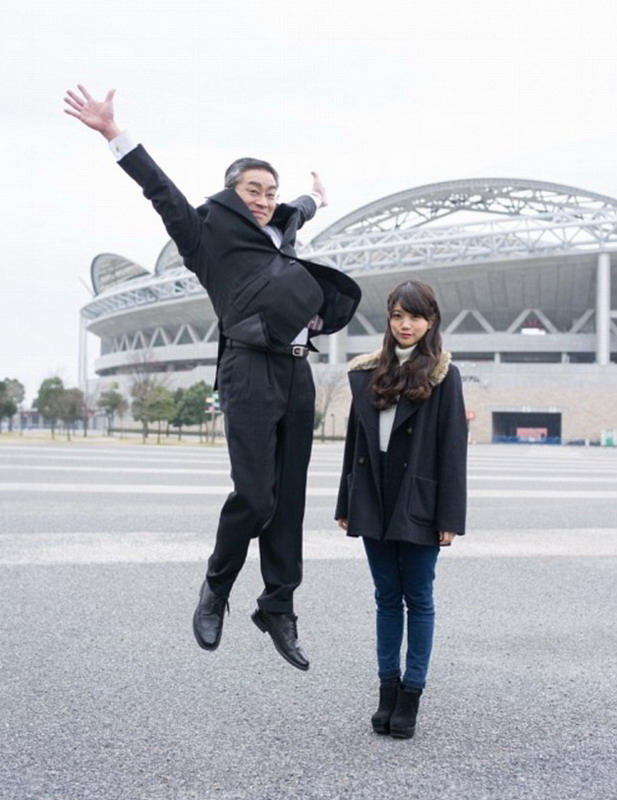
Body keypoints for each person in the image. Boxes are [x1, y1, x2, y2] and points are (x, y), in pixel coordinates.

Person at [64, 85, 361, 672]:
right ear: (231, 192)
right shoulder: (206, 236)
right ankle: (217, 587)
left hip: (298, 373)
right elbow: (161, 193)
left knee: (290, 500)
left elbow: (298, 205)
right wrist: (112, 131)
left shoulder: (284, 223)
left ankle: (278, 605)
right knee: (255, 496)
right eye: (253, 190)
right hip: (248, 370)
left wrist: (315, 198)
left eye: (270, 192)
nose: (264, 200)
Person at [335, 279, 467, 737]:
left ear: (430, 322)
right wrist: (346, 501)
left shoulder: (443, 375)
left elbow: (453, 449)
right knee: (385, 598)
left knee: (419, 598)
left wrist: (450, 517)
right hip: (373, 494)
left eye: (414, 316)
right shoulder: (368, 372)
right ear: (388, 320)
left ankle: (411, 695)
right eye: (396, 315)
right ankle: (386, 692)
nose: (404, 324)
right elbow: (355, 444)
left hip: (421, 499)